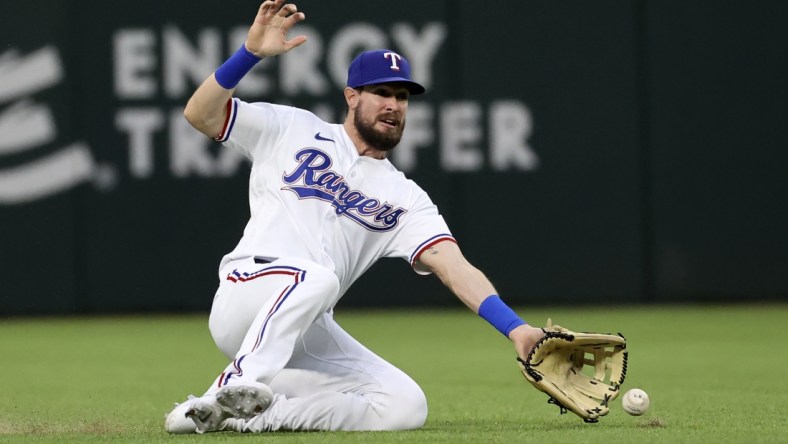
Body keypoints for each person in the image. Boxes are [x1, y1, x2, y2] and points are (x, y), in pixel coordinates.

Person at [165, 0, 545, 434]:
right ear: (351, 96)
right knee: (319, 278)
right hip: (247, 294)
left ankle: (231, 418)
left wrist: (515, 329)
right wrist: (248, 55)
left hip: (303, 326)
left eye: (402, 97)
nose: (394, 105)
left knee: (405, 406)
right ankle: (234, 384)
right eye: (382, 92)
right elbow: (200, 114)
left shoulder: (405, 197)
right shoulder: (291, 128)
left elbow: (454, 267)